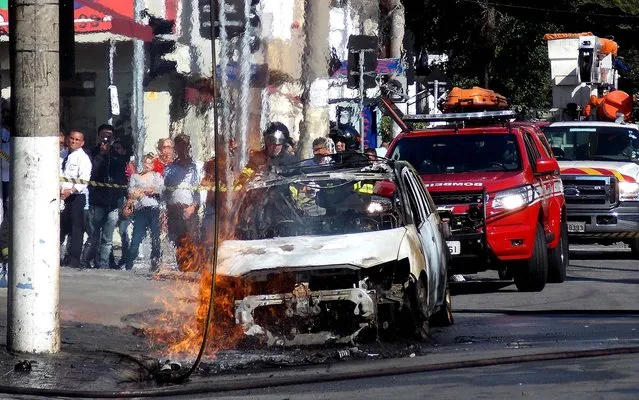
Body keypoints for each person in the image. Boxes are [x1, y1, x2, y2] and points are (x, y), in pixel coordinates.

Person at [82, 137, 128, 269]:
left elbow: (121, 178)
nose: (113, 150)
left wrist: (114, 156)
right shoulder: (97, 157)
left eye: (116, 148)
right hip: (98, 202)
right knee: (94, 236)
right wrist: (102, 155)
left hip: (112, 204)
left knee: (107, 239)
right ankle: (85, 260)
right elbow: (92, 173)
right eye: (113, 147)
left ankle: (102, 264)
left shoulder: (118, 162)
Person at [123, 153, 164, 271]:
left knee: (155, 237)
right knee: (136, 237)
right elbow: (131, 193)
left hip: (153, 210)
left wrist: (141, 190)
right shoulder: (135, 177)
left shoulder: (157, 176)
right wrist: (129, 203)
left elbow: (157, 190)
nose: (147, 165)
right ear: (142, 163)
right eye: (146, 162)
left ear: (153, 165)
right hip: (140, 210)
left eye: (150, 163)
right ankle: (129, 263)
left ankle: (155, 263)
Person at [164, 134, 201, 258]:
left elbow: (198, 191)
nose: (182, 148)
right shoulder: (169, 168)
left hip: (188, 209)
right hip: (174, 210)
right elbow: (165, 191)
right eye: (179, 145)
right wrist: (164, 211)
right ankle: (180, 267)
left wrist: (193, 207)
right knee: (176, 240)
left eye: (184, 145)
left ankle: (192, 265)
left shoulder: (195, 168)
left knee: (191, 240)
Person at [60, 131, 92, 268]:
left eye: (77, 139)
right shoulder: (62, 155)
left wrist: (71, 191)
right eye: (71, 138)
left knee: (76, 229)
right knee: (60, 227)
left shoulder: (83, 158)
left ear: (82, 142)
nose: (73, 141)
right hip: (60, 196)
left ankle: (74, 259)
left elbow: (84, 179)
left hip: (75, 197)